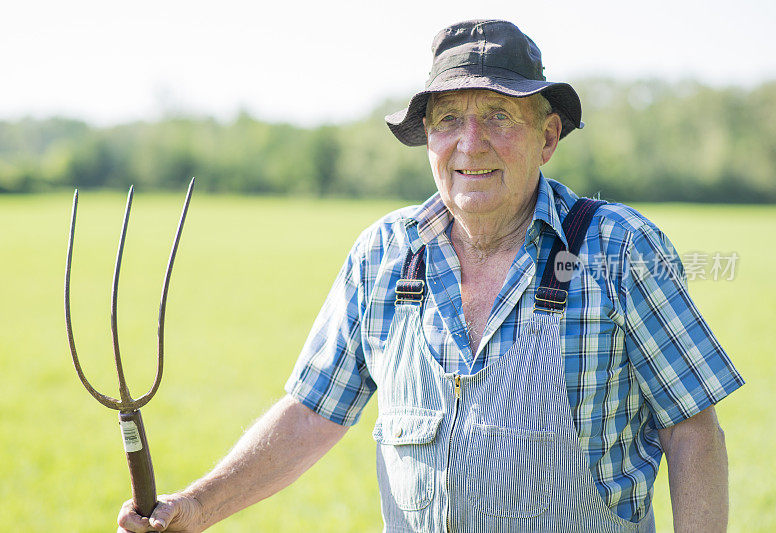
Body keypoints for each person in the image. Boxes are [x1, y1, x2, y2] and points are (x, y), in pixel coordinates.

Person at [118, 19, 743, 532]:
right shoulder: (382, 256)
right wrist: (197, 506)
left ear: (548, 137)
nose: (470, 144)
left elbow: (691, 429)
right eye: (447, 120)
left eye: (498, 115)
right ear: (426, 141)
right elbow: (313, 413)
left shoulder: (619, 249)